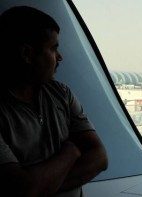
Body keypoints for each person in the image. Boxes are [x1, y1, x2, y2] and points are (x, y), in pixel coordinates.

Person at [0, 6, 108, 197]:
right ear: (27, 54)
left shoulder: (61, 93)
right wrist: (71, 151)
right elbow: (21, 189)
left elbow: (100, 158)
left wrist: (41, 186)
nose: (60, 57)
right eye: (53, 48)